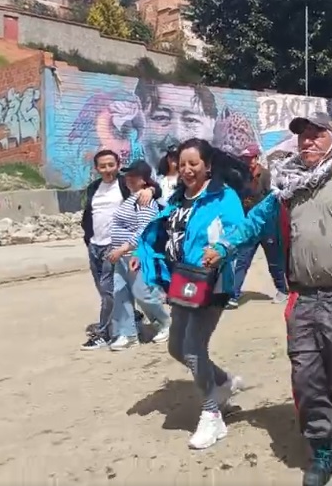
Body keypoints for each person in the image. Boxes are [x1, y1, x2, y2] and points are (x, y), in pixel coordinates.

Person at [202, 111, 332, 486]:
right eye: (302, 136)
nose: (308, 141)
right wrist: (224, 245)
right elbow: (253, 223)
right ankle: (324, 447)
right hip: (301, 296)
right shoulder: (286, 185)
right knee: (306, 375)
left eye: (316, 134)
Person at [134, 138, 247, 449]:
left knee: (194, 347)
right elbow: (166, 233)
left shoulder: (223, 197)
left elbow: (240, 230)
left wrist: (222, 247)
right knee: (176, 348)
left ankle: (212, 416)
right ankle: (224, 382)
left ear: (208, 166)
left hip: (211, 283)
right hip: (182, 281)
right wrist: (142, 252)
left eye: (193, 164)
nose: (186, 169)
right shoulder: (178, 198)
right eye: (182, 164)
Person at [80, 150, 156, 350]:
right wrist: (88, 239)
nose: (107, 170)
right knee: (105, 290)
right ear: (96, 168)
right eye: (102, 166)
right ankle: (132, 316)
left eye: (111, 165)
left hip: (115, 247)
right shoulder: (93, 188)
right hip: (95, 245)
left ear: (117, 165)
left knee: (109, 292)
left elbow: (152, 189)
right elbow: (90, 214)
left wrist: (151, 190)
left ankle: (104, 333)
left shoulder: (125, 184)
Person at [106, 160, 170, 351]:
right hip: (121, 256)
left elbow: (144, 229)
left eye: (133, 176)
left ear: (143, 180)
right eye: (127, 176)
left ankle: (164, 323)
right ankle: (127, 333)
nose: (128, 179)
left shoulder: (144, 199)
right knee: (120, 294)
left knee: (142, 293)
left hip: (135, 255)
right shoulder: (133, 197)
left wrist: (123, 248)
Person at [230, 144, 288, 307]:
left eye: (251, 158)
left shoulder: (266, 175)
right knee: (242, 259)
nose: (248, 162)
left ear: (256, 158)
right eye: (245, 159)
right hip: (249, 226)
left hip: (267, 225)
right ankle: (234, 294)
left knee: (274, 260)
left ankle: (282, 290)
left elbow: (273, 199)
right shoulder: (239, 177)